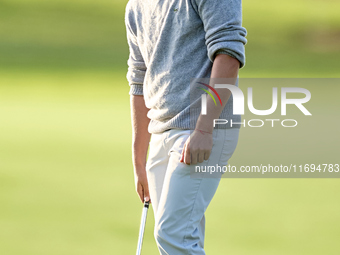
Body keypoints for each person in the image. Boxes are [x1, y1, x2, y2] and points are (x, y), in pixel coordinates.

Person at [125, 0, 247, 253]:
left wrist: (204, 129)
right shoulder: (136, 5)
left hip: (202, 128)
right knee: (182, 239)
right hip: (160, 130)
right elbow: (139, 78)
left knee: (173, 235)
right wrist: (139, 160)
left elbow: (228, 56)